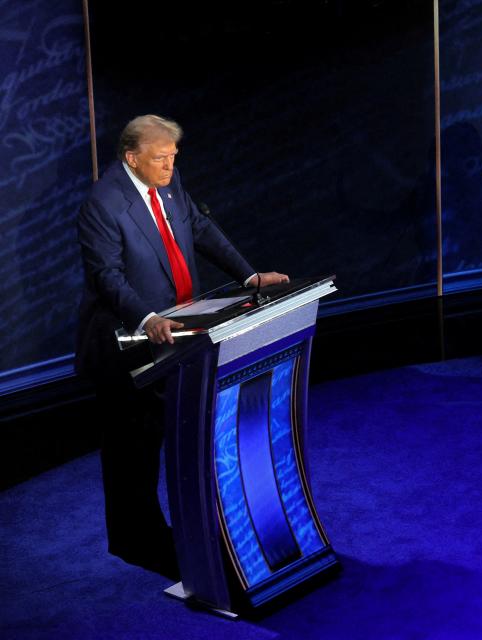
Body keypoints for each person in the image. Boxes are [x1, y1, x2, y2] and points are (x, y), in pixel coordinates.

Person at [76, 114, 289, 579]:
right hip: (126, 344)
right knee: (133, 446)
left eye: (174, 157)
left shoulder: (170, 182)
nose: (170, 167)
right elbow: (106, 276)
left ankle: (179, 532)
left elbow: (200, 228)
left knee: (171, 432)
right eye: (160, 159)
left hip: (179, 338)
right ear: (132, 159)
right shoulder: (103, 204)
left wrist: (249, 276)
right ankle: (136, 539)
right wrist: (147, 317)